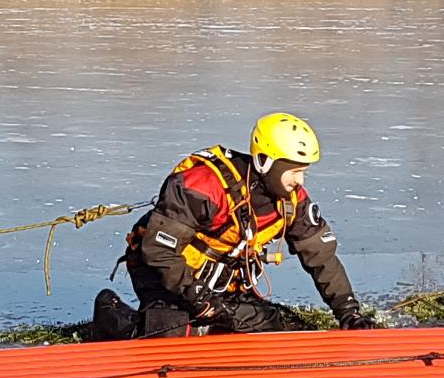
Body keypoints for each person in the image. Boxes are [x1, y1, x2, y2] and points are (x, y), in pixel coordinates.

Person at [93, 113, 372, 339]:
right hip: (162, 273)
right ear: (266, 162)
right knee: (170, 335)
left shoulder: (292, 201)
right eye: (295, 170)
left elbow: (321, 257)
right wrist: (198, 298)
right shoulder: (205, 186)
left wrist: (348, 311)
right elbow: (158, 251)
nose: (301, 181)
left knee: (268, 328)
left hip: (220, 283)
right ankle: (111, 313)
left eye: (305, 170)